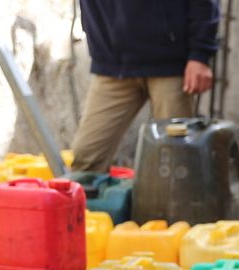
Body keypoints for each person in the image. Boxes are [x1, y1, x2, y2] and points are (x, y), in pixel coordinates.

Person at [70, 0, 220, 172]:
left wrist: (200, 55)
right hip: (112, 65)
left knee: (176, 163)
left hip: (169, 63)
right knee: (85, 159)